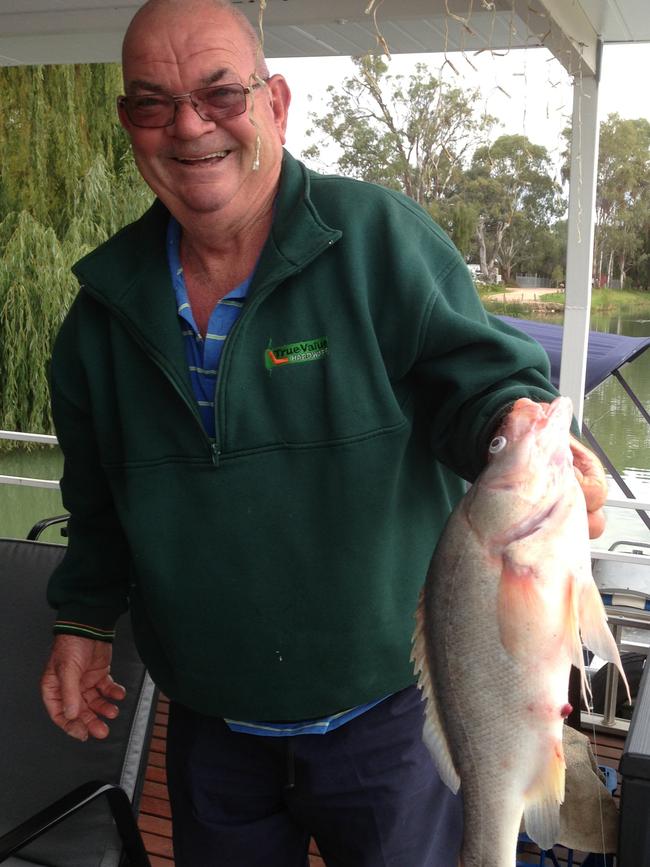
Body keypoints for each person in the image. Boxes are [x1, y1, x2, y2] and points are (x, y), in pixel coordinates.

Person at [40, 1, 608, 865]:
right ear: (130, 125)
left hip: (395, 715)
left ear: (276, 102)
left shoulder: (378, 240)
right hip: (211, 727)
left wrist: (522, 433)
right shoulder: (97, 318)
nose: (188, 125)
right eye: (151, 103)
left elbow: (481, 390)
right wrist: (81, 619)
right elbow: (97, 500)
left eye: (219, 93)